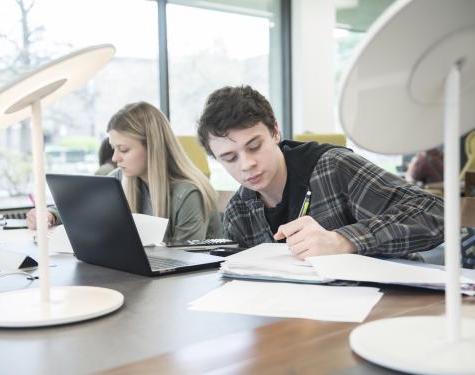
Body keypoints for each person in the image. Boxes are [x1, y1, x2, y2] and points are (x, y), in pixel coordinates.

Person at [197, 85, 444, 260]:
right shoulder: (238, 212)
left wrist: (343, 241)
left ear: (275, 133)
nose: (246, 164)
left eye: (254, 146)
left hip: (388, 305)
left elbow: (435, 214)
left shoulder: (333, 168)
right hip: (300, 320)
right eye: (229, 158)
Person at [27, 101, 223, 242]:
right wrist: (50, 214)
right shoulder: (119, 179)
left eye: (124, 149)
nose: (114, 158)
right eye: (114, 148)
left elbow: (186, 265)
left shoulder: (187, 194)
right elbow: (82, 207)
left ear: (153, 148)